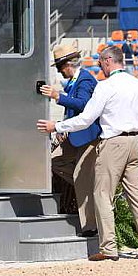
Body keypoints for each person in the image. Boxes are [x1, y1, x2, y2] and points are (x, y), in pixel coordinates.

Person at [37, 46, 138, 261]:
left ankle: (109, 248)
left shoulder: (105, 87)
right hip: (135, 143)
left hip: (113, 143)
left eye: (100, 63)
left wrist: (56, 126)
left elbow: (86, 118)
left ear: (107, 61)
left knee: (102, 195)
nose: (99, 67)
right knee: (137, 197)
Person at [40, 45, 101, 237]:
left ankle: (90, 226)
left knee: (81, 179)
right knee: (54, 162)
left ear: (67, 65)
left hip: (88, 137)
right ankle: (88, 183)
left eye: (59, 66)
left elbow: (83, 105)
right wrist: (63, 126)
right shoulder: (77, 81)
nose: (58, 71)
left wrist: (58, 96)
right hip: (76, 136)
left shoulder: (84, 80)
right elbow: (74, 110)